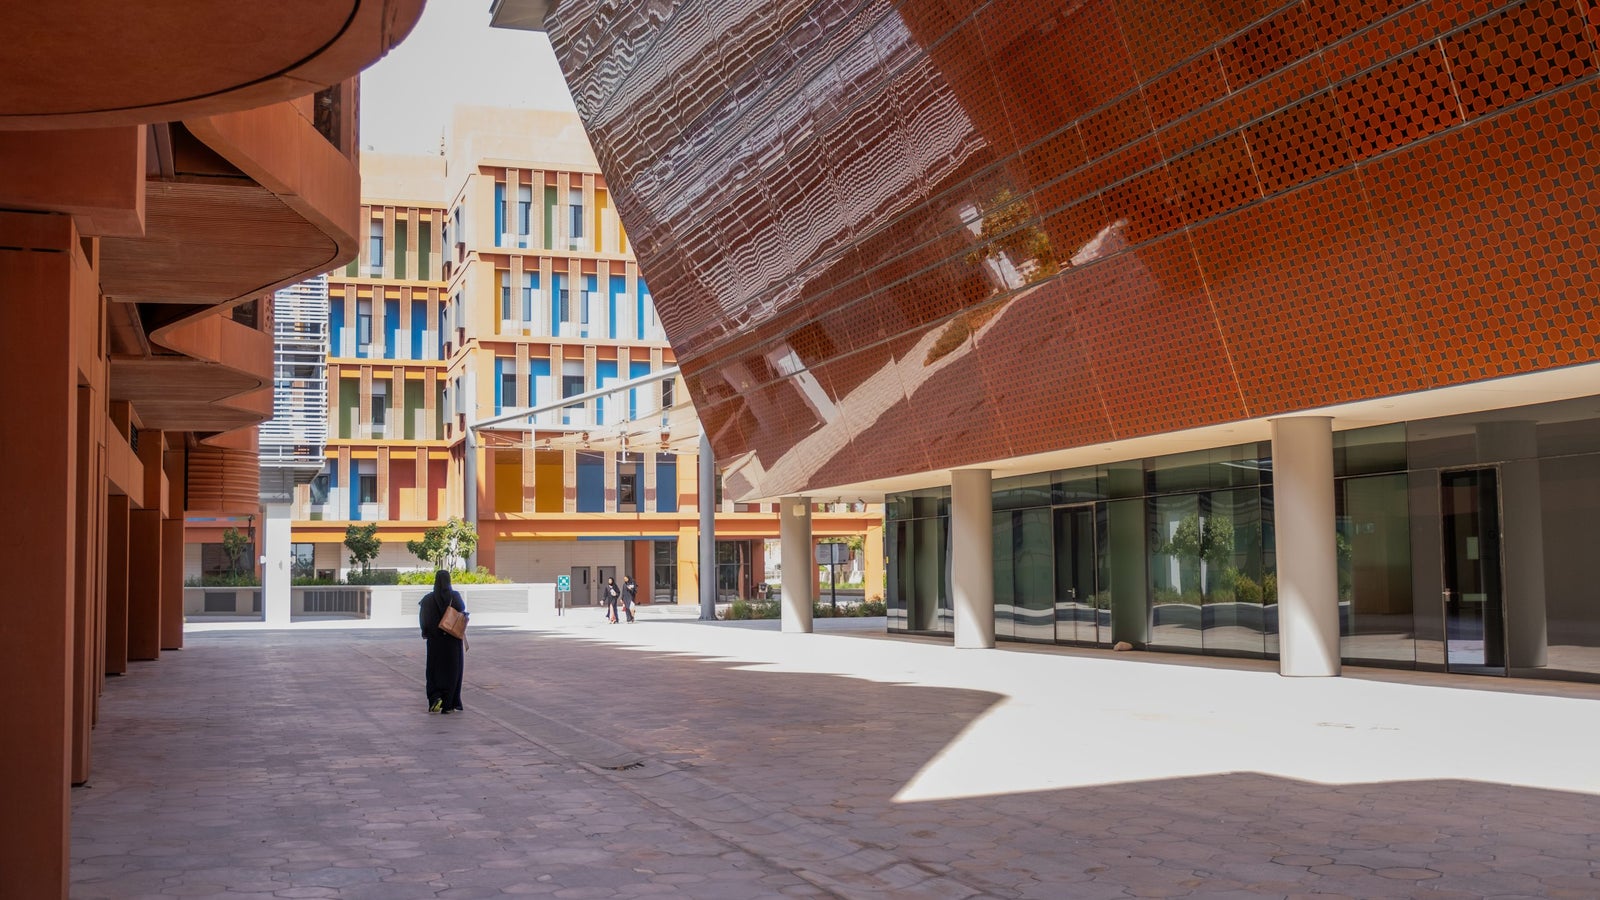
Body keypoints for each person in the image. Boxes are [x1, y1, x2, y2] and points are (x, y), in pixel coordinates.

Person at [419, 570, 467, 713]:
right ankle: (449, 702)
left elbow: (423, 620)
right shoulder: (455, 596)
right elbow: (462, 610)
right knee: (452, 671)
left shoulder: (427, 599)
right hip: (452, 642)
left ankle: (435, 697)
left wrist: (426, 632)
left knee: (434, 670)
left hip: (435, 642)